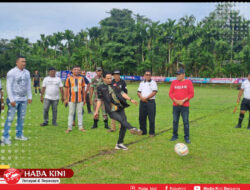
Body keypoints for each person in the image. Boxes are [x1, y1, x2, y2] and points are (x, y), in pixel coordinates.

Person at [94, 71, 142, 150]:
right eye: (108, 78)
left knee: (123, 124)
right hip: (111, 110)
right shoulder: (100, 87)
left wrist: (130, 99)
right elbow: (99, 100)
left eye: (111, 78)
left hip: (120, 107)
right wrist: (96, 111)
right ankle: (132, 128)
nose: (110, 80)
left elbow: (122, 93)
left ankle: (119, 143)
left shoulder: (115, 85)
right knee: (121, 120)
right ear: (103, 78)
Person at [2, 56, 32, 145]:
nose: (24, 63)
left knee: (21, 118)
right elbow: (8, 86)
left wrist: (29, 96)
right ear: (17, 62)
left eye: (25, 61)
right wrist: (11, 99)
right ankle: (5, 137)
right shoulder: (12, 72)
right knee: (10, 118)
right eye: (22, 61)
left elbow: (28, 85)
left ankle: (19, 135)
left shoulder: (27, 72)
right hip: (14, 99)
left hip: (23, 99)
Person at [169, 68, 194, 144]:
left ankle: (186, 137)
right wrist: (176, 101)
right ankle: (175, 136)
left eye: (179, 74)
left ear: (183, 75)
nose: (177, 76)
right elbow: (170, 93)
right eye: (176, 74)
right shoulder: (174, 82)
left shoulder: (188, 82)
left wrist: (183, 101)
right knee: (175, 121)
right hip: (175, 105)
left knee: (185, 121)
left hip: (185, 105)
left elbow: (191, 94)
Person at [64, 66, 86, 133]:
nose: (76, 71)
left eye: (78, 70)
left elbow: (83, 89)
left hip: (80, 99)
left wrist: (84, 99)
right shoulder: (68, 79)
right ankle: (69, 127)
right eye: (75, 69)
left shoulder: (82, 78)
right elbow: (66, 88)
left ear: (80, 71)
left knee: (80, 113)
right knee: (71, 113)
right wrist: (66, 98)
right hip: (71, 99)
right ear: (72, 71)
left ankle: (80, 127)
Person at [137, 70, 158, 137]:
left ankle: (151, 133)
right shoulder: (141, 83)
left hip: (150, 102)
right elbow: (138, 92)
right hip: (142, 102)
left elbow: (154, 92)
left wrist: (146, 98)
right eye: (146, 74)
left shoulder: (153, 82)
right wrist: (141, 97)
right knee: (141, 117)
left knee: (151, 118)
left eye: (149, 74)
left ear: (150, 76)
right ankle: (143, 131)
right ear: (144, 75)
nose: (148, 76)